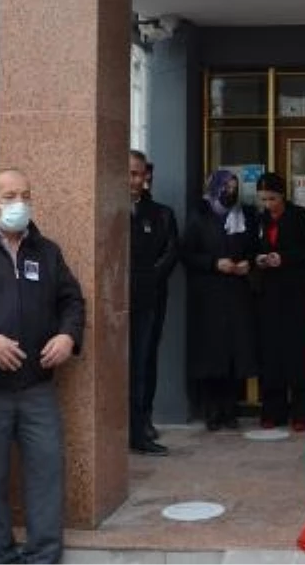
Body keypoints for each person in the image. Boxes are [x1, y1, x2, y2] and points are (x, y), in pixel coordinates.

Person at [0, 168, 85, 565]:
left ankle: (43, 557)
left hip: (36, 387)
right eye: (9, 195)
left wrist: (67, 336)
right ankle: (1, 558)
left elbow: (72, 301)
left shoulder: (46, 250)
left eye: (25, 194)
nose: (19, 202)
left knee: (46, 474)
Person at [180, 170, 258, 431]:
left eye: (234, 188)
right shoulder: (199, 215)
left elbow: (253, 249)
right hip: (208, 296)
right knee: (211, 354)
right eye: (226, 187)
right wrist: (214, 264)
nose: (230, 193)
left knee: (234, 353)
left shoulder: (244, 215)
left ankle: (230, 409)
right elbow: (187, 254)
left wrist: (249, 264)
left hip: (236, 292)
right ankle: (212, 411)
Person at [252, 172, 305, 431]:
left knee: (299, 352)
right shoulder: (259, 219)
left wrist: (284, 258)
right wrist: (259, 259)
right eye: (263, 199)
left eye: (271, 198)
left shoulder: (298, 215)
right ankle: (273, 409)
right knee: (271, 353)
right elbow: (251, 247)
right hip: (268, 294)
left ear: (282, 195)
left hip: (295, 293)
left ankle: (303, 412)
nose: (268, 204)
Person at [128, 151, 178, 456]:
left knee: (144, 362)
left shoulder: (161, 213)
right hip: (113, 303)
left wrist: (145, 279)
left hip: (149, 300)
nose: (135, 180)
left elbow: (170, 252)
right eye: (130, 173)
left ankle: (142, 425)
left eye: (139, 174)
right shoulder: (104, 208)